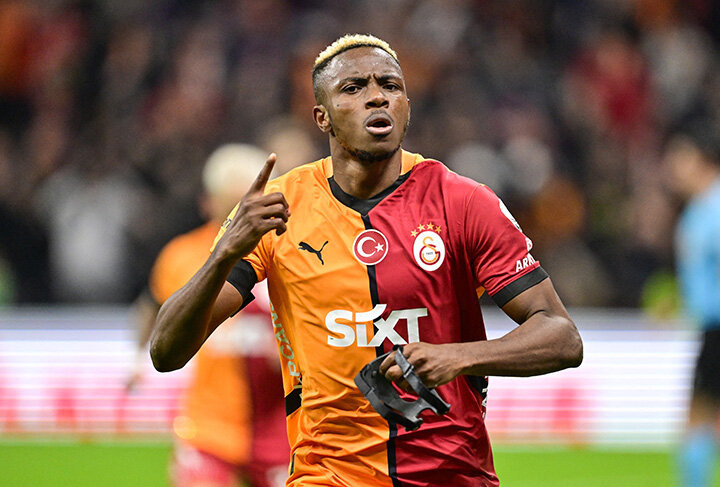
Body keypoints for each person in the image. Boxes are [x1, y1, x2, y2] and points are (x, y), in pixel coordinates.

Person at [150, 34, 583, 486]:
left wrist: (459, 357)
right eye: (353, 88)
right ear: (322, 117)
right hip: (326, 474)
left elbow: (562, 336)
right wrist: (223, 253)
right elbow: (166, 351)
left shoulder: (463, 202)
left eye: (390, 86)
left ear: (406, 106)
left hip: (451, 472)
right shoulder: (282, 207)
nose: (377, 97)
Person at [132, 144, 290, 487]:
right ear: (209, 203)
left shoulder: (292, 251)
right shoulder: (182, 255)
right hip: (209, 428)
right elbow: (151, 306)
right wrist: (135, 357)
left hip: (281, 428)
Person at [662, 124, 720, 487]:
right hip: (713, 327)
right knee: (703, 418)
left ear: (704, 159)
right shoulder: (700, 209)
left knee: (699, 418)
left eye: (680, 156)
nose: (672, 166)